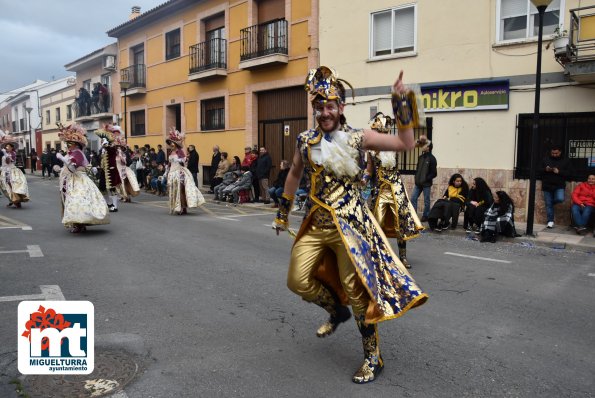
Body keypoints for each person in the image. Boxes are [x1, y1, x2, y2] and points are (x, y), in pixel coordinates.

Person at [273, 67, 427, 384]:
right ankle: (335, 310)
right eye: (319, 106)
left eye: (330, 105)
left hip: (351, 224)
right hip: (316, 222)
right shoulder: (305, 140)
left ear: (341, 107)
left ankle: (373, 356)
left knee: (358, 293)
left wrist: (402, 101)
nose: (324, 112)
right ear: (314, 108)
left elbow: (405, 142)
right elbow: (293, 174)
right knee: (297, 281)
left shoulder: (359, 138)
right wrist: (283, 211)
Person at [365, 112, 424, 269]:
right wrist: (363, 180)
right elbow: (369, 169)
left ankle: (403, 257)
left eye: (386, 132)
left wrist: (419, 141)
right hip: (380, 191)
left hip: (396, 189)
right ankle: (377, 255)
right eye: (381, 132)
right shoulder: (371, 150)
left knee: (401, 223)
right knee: (377, 223)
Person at [55, 123, 109, 233]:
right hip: (70, 180)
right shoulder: (71, 153)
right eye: (67, 143)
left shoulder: (77, 153)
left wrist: (61, 158)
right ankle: (78, 224)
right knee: (72, 202)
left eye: (70, 143)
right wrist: (59, 169)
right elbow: (67, 167)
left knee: (77, 201)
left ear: (76, 144)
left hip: (78, 180)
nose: (68, 145)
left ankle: (79, 224)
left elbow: (73, 168)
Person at [166, 128, 205, 215]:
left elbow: (183, 161)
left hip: (179, 172)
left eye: (172, 143)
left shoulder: (180, 151)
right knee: (174, 191)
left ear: (176, 144)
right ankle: (176, 206)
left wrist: (181, 160)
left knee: (180, 190)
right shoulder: (171, 152)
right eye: (170, 143)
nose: (171, 145)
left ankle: (182, 207)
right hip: (172, 173)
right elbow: (169, 163)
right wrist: (166, 172)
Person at [541, 145, 572, 228]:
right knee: (548, 204)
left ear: (560, 152)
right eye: (553, 153)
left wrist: (559, 171)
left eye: (556, 153)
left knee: (560, 199)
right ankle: (550, 221)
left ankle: (551, 204)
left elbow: (570, 173)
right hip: (547, 184)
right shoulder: (545, 159)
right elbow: (538, 170)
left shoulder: (566, 161)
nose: (554, 155)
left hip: (559, 185)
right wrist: (545, 169)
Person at [95, 125, 123, 212]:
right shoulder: (104, 148)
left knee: (112, 188)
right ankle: (108, 203)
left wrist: (106, 144)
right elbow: (101, 157)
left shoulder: (113, 146)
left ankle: (115, 206)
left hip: (111, 169)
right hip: (104, 170)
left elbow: (111, 151)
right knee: (102, 187)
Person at [0, 133, 29, 208]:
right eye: (6, 146)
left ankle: (17, 200)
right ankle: (11, 199)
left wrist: (5, 153)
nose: (7, 147)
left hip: (11, 171)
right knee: (5, 187)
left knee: (12, 185)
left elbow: (8, 161)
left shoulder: (13, 153)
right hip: (4, 171)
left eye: (8, 146)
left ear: (12, 148)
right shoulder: (4, 153)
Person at [410, 140, 436, 222]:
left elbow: (434, 173)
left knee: (426, 201)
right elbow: (418, 169)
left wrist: (426, 178)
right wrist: (416, 177)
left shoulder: (432, 159)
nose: (422, 146)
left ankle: (426, 215)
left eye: (424, 145)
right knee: (413, 198)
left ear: (428, 147)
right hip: (418, 183)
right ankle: (414, 215)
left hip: (426, 184)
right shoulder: (420, 157)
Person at [112, 128, 140, 202]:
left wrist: (123, 158)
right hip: (117, 170)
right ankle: (123, 196)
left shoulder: (124, 154)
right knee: (118, 184)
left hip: (123, 169)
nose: (118, 148)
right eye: (117, 147)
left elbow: (127, 162)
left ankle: (126, 196)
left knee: (125, 182)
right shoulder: (114, 154)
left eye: (119, 147)